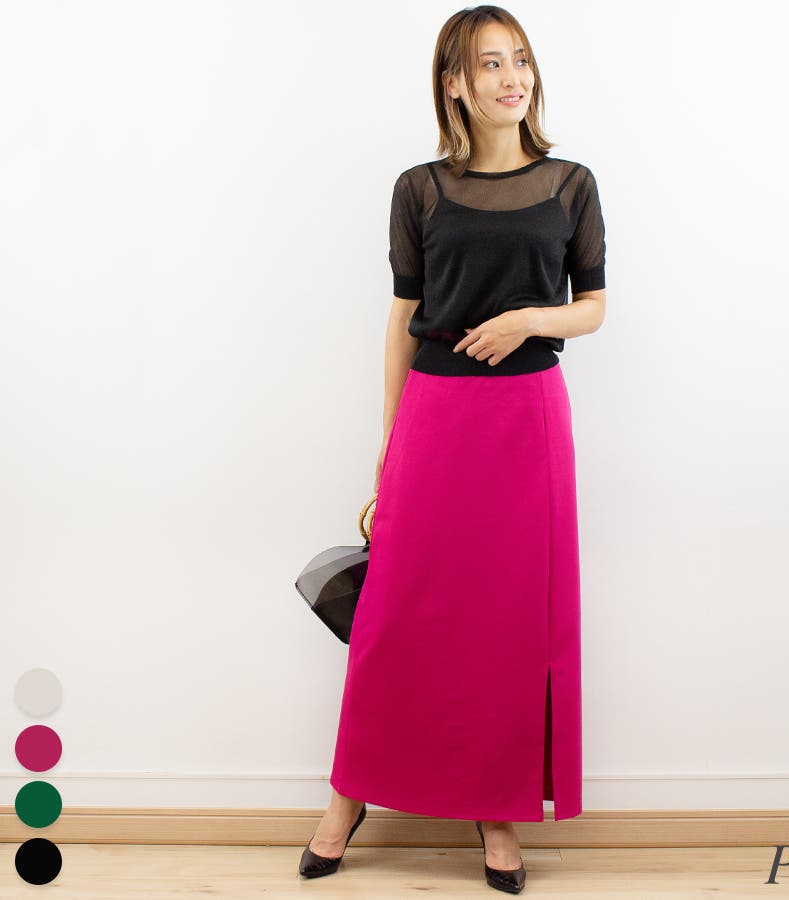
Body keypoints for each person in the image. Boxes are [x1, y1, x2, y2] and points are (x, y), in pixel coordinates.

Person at [300, 5, 606, 893]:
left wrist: (526, 321)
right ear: (455, 84)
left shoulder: (572, 184)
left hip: (528, 422)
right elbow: (403, 317)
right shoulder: (419, 189)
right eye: (491, 63)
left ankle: (495, 809)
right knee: (393, 618)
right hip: (435, 417)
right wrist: (388, 445)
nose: (514, 78)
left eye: (521, 60)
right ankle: (347, 798)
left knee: (509, 622)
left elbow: (592, 307)